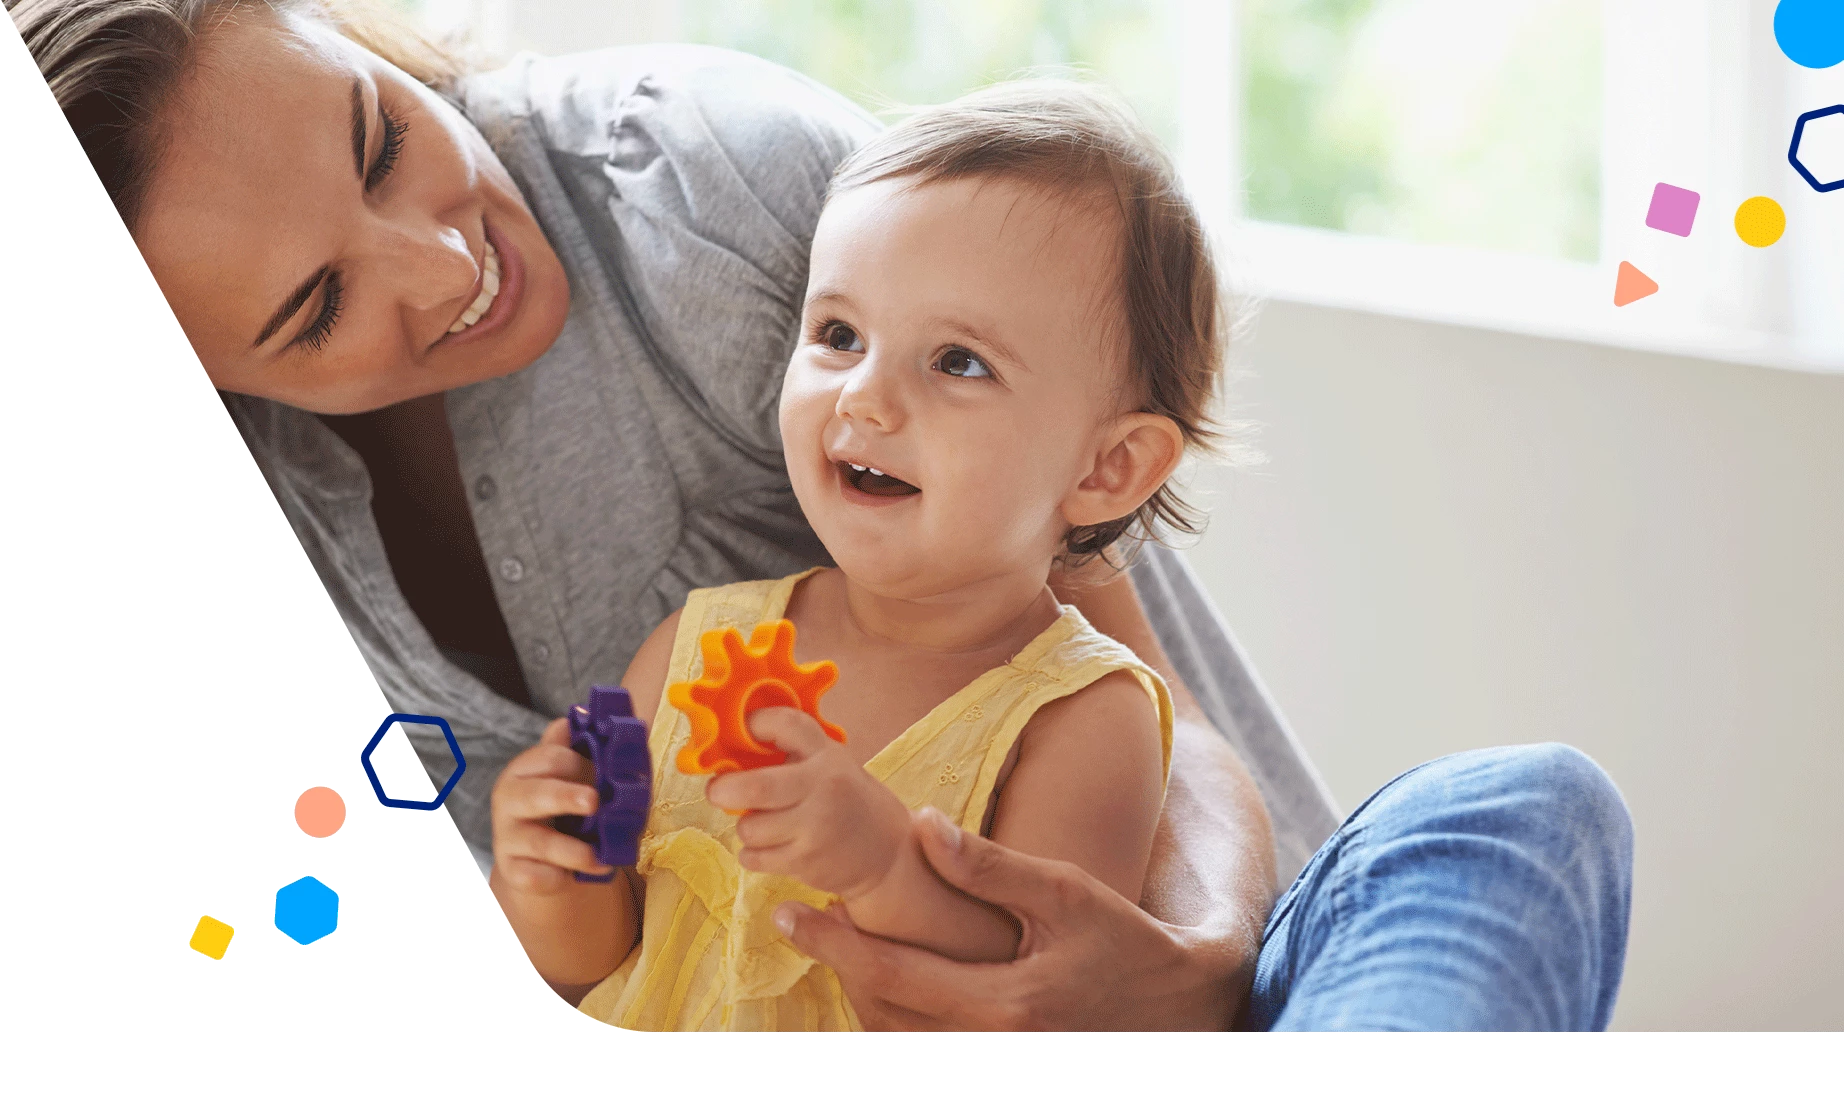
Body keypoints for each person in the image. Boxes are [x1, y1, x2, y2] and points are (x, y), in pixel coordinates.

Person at [15, 0, 1634, 1030]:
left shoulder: (725, 188)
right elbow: (585, 937)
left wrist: (1196, 951)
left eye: (380, 137)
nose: (444, 264)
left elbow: (1126, 725)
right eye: (312, 308)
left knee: (1516, 812)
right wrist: (557, 861)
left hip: (1180, 985)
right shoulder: (700, 652)